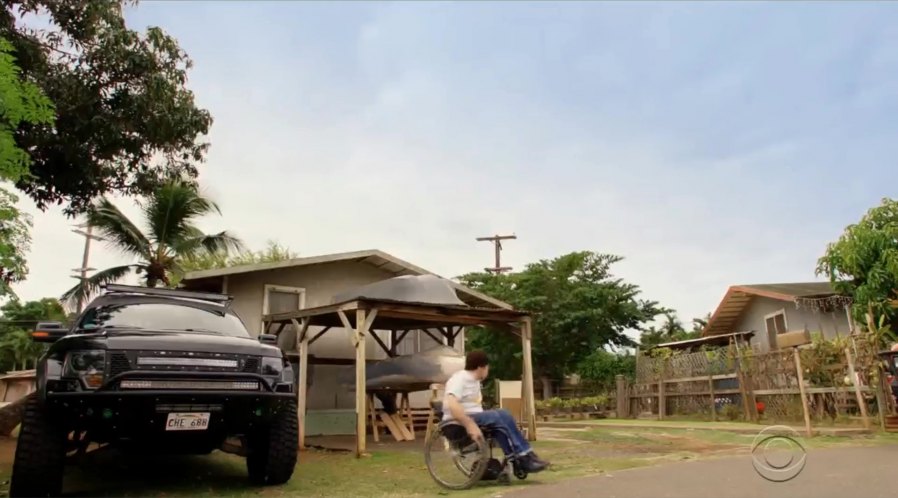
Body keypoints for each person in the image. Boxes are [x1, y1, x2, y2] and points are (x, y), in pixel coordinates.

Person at [442, 350, 549, 473]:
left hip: (474, 417)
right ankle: (524, 456)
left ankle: (520, 459)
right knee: (501, 414)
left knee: (502, 421)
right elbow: (452, 403)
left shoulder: (474, 381)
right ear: (482, 367)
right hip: (457, 422)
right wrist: (469, 424)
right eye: (487, 367)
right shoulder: (460, 379)